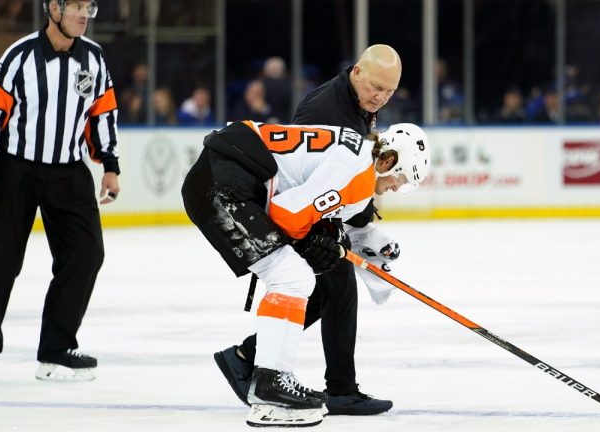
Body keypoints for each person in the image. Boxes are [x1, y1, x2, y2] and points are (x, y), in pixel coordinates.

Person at [181, 120, 430, 427]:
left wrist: (320, 237)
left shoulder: (358, 158)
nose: (396, 188)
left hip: (225, 177)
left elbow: (310, 210)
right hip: (224, 184)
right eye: (400, 180)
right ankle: (269, 387)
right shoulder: (360, 173)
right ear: (388, 160)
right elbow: (288, 215)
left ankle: (272, 379)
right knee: (292, 276)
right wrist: (311, 240)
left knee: (296, 275)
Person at [213, 44, 404, 416]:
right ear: (357, 72)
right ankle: (337, 389)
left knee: (329, 290)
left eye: (389, 92)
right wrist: (352, 228)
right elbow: (315, 181)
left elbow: (344, 180)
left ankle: (247, 357)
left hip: (305, 208)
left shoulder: (358, 104)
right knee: (335, 288)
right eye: (376, 87)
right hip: (289, 208)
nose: (381, 97)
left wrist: (362, 227)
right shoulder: (326, 109)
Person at [0, 0, 120, 383]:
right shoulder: (19, 55)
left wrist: (110, 166)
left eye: (90, 7)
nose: (84, 15)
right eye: (77, 7)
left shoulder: (94, 59)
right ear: (53, 9)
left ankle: (56, 349)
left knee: (86, 254)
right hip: (14, 170)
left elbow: (102, 112)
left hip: (69, 172)